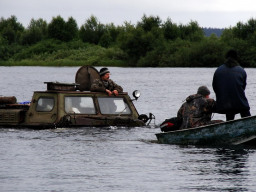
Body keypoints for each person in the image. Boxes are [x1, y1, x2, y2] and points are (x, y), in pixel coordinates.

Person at [212, 49, 251, 121]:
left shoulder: (218, 70)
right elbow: (243, 87)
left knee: (230, 113)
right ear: (236, 58)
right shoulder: (241, 70)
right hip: (240, 104)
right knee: (245, 111)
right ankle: (249, 124)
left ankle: (229, 126)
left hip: (223, 105)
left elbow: (215, 87)